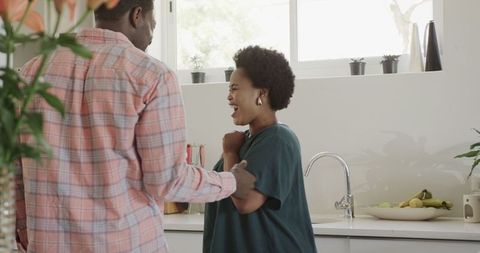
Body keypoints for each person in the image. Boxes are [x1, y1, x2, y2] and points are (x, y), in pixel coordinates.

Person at [15, 1, 255, 252]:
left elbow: (14, 170)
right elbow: (167, 180)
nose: (152, 34)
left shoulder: (30, 73)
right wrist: (231, 182)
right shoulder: (152, 75)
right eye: (154, 22)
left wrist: (23, 230)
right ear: (137, 15)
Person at [203, 46, 317, 253]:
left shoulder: (277, 139)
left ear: (261, 93)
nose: (229, 97)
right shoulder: (246, 141)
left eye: (235, 88)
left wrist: (229, 153)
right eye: (229, 89)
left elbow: (246, 202)